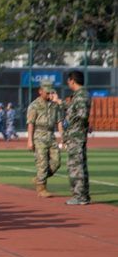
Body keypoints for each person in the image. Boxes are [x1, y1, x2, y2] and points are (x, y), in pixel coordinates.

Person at [56, 71, 91, 205]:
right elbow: (73, 109)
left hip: (76, 135)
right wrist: (59, 102)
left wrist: (72, 123)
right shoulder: (79, 95)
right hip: (75, 135)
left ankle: (80, 196)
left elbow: (82, 115)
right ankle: (83, 196)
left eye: (68, 80)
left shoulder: (81, 95)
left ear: (72, 80)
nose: (67, 83)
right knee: (79, 165)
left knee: (76, 166)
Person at [26, 81, 63, 198]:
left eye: (51, 92)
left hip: (51, 135)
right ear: (40, 91)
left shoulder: (54, 105)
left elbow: (59, 122)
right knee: (42, 163)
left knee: (57, 162)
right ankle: (41, 189)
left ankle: (38, 178)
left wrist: (63, 138)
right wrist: (30, 140)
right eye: (47, 93)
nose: (49, 95)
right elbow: (31, 123)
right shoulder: (34, 105)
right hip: (39, 136)